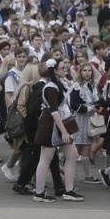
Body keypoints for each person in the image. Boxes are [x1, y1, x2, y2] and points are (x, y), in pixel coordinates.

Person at [32, 58, 83, 202]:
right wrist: (65, 132)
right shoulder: (51, 87)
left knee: (72, 154)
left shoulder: (57, 84)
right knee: (45, 159)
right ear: (54, 71)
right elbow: (54, 112)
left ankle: (69, 190)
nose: (65, 69)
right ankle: (39, 192)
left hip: (58, 124)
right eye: (62, 68)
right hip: (51, 125)